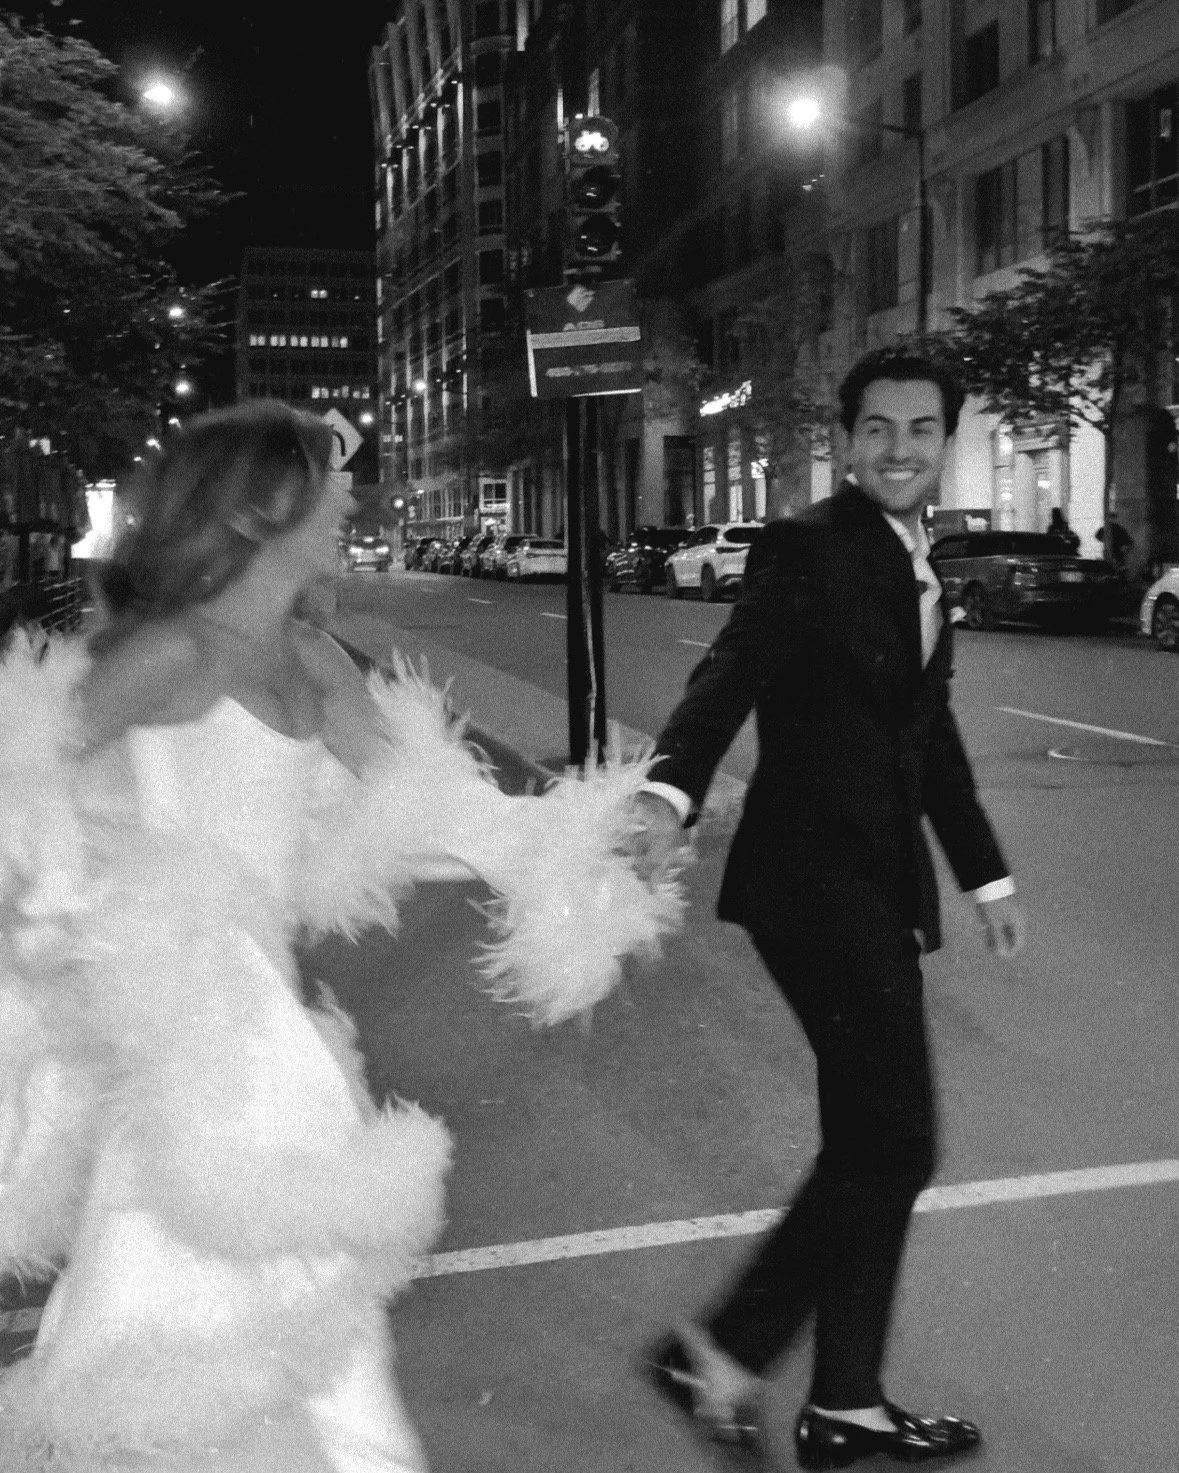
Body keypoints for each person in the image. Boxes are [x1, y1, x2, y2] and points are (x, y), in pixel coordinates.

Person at [0, 401, 683, 1473]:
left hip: (270, 1022)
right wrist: (62, 923)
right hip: (192, 1034)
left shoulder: (312, 657)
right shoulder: (174, 652)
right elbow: (25, 775)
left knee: (279, 1324)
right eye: (331, 477)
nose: (352, 493)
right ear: (261, 507)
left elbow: (431, 805)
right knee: (195, 1314)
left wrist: (590, 836)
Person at [631, 350, 1026, 1469]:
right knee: (895, 1142)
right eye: (878, 428)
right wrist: (669, 790)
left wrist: (986, 875)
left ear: (944, 439)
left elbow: (926, 736)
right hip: (812, 884)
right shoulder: (807, 547)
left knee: (869, 1144)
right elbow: (731, 670)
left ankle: (847, 1402)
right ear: (847, 440)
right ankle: (719, 1350)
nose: (899, 448)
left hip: (870, 881)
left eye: (920, 428)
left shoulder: (913, 559)